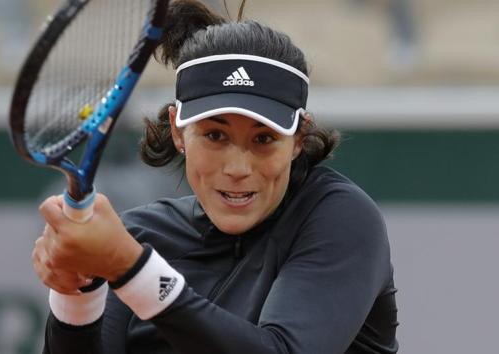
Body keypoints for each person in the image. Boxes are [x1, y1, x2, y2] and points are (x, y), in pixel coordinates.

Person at [32, 1, 399, 353]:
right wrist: (74, 298)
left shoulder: (341, 219)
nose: (238, 168)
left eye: (264, 139)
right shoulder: (142, 234)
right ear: (178, 131)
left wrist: (133, 270)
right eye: (215, 136)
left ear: (298, 140)